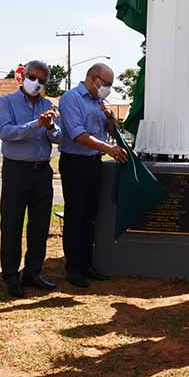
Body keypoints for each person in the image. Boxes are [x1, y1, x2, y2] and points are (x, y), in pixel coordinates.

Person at [58, 63, 128, 288]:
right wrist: (109, 150)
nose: (108, 88)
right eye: (107, 84)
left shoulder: (99, 101)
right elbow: (77, 134)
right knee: (75, 216)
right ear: (95, 79)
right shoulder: (71, 98)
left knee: (90, 217)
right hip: (75, 163)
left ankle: (87, 265)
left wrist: (109, 118)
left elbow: (110, 131)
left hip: (94, 163)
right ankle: (74, 268)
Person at [0, 60, 62, 299]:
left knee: (39, 225)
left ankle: (33, 272)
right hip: (16, 170)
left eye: (42, 80)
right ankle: (11, 276)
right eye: (32, 77)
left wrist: (51, 126)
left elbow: (59, 138)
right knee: (11, 224)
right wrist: (37, 124)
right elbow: (6, 132)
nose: (36, 83)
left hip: (42, 171)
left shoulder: (48, 105)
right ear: (22, 77)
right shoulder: (6, 102)